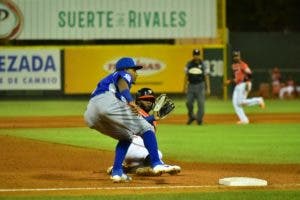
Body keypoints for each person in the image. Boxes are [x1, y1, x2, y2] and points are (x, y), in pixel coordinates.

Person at [84, 57, 179, 183]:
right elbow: (123, 83)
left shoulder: (112, 87)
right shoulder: (122, 74)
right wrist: (130, 100)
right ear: (127, 69)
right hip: (106, 101)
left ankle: (117, 172)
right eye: (134, 70)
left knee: (126, 136)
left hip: (91, 114)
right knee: (147, 127)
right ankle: (157, 163)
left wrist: (150, 117)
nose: (136, 73)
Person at [106, 88, 181, 176]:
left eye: (151, 100)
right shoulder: (132, 110)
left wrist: (153, 117)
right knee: (157, 154)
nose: (149, 102)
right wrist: (153, 117)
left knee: (149, 155)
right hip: (130, 146)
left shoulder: (150, 116)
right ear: (138, 101)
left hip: (137, 152)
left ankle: (128, 168)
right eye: (145, 99)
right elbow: (135, 124)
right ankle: (160, 165)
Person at [226, 51, 265, 124]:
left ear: (240, 57)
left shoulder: (243, 64)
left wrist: (247, 82)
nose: (236, 57)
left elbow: (250, 73)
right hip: (238, 85)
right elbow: (236, 77)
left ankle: (259, 100)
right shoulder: (233, 65)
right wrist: (230, 81)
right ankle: (244, 120)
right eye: (235, 56)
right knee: (235, 103)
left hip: (244, 84)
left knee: (240, 102)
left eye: (237, 56)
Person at [183, 48, 211, 125]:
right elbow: (186, 76)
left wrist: (208, 88)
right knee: (188, 102)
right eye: (195, 55)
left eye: (197, 55)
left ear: (199, 55)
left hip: (200, 85)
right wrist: (184, 87)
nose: (196, 56)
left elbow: (206, 76)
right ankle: (192, 116)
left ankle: (199, 119)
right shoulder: (189, 64)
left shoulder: (203, 64)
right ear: (193, 55)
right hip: (191, 85)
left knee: (201, 104)